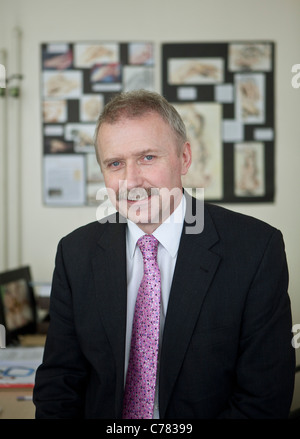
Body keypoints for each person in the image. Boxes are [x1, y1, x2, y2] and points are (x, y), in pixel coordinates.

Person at [33, 90, 295, 419]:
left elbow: (264, 398)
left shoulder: (256, 249)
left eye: (147, 158)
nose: (131, 181)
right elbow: (60, 382)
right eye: (115, 164)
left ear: (184, 158)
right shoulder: (75, 254)